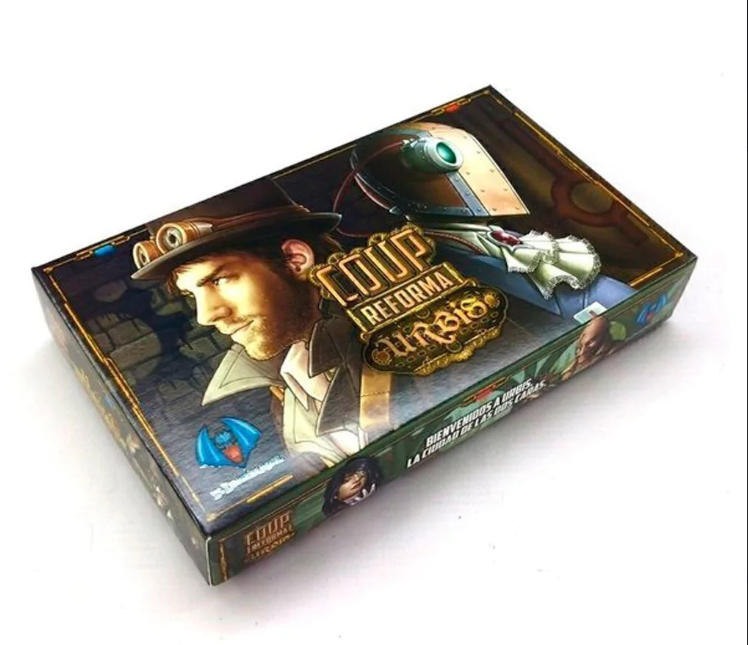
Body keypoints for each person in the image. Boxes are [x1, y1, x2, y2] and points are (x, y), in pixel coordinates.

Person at [130, 178, 410, 473]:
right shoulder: (282, 392)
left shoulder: (406, 339)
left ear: (295, 260)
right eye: (191, 295)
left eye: (219, 280)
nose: (206, 315)